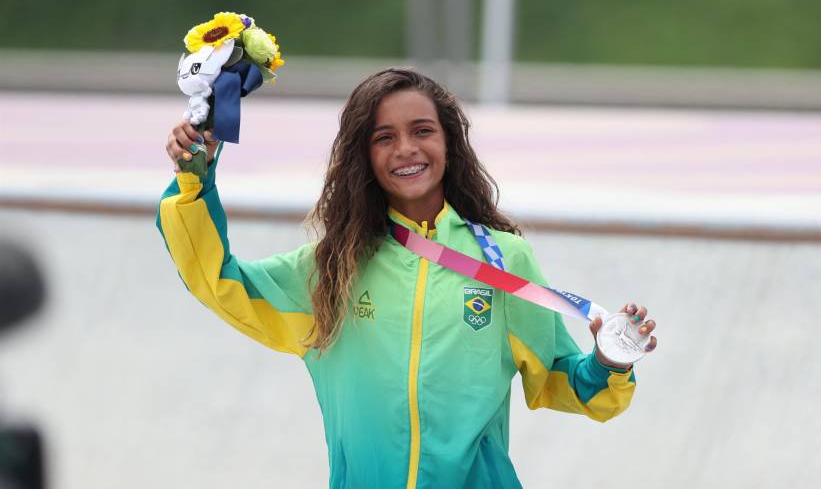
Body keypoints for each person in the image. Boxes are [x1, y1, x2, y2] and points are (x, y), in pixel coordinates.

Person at [158, 68, 658, 489]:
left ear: (448, 142)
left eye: (422, 130)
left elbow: (559, 380)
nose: (405, 149)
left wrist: (608, 361)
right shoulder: (331, 268)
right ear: (364, 156)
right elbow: (220, 281)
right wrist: (194, 180)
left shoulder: (504, 260)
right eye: (384, 137)